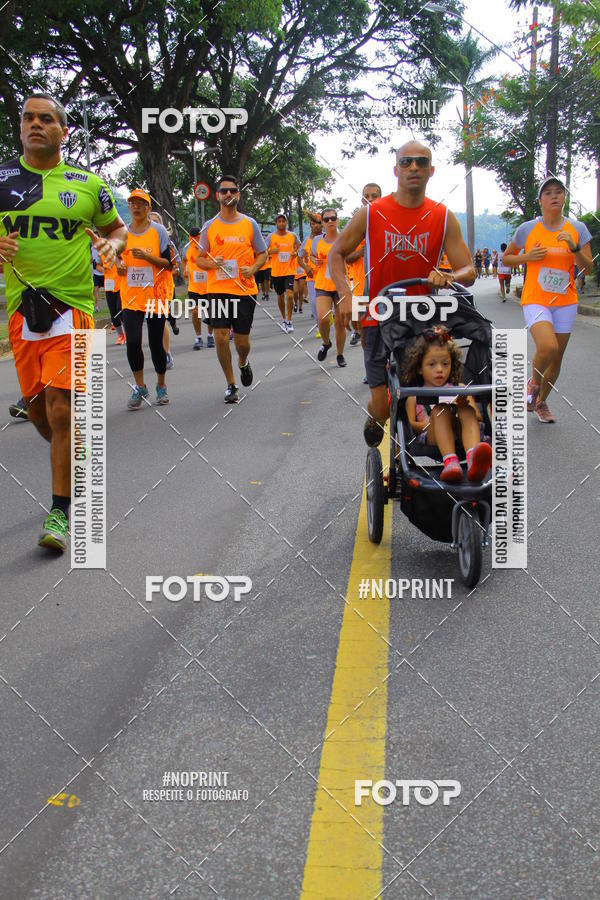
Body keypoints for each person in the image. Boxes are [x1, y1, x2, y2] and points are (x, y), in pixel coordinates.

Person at [0, 93, 127, 552]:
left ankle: (60, 514)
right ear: (21, 128)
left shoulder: (88, 184)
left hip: (72, 309)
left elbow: (116, 228)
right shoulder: (3, 179)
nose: (35, 124)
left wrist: (113, 244)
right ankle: (75, 455)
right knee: (37, 411)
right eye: (28, 118)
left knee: (61, 409)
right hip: (22, 313)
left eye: (46, 119)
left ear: (63, 131)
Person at [329, 140, 475, 447]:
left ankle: (420, 454)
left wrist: (449, 275)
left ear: (431, 170)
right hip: (378, 317)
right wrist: (344, 296)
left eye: (421, 163)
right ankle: (376, 416)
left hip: (421, 319)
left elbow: (469, 271)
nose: (413, 168)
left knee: (421, 394)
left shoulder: (442, 215)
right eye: (406, 162)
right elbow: (337, 253)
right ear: (396, 169)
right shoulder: (372, 213)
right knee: (383, 406)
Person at [501, 176, 592, 423]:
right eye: (548, 192)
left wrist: (574, 249)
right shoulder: (528, 228)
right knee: (548, 347)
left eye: (558, 192)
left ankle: (541, 402)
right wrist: (527, 257)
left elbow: (589, 267)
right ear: (540, 200)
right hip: (536, 298)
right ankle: (534, 383)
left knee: (557, 357)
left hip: (566, 301)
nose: (554, 196)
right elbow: (506, 259)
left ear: (564, 198)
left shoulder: (577, 229)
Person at [196, 175, 267, 403]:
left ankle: (243, 362)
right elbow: (199, 259)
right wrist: (212, 263)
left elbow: (263, 253)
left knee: (242, 343)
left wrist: (254, 268)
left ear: (238, 194)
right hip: (217, 289)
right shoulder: (209, 226)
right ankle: (231, 384)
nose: (228, 194)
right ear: (217, 195)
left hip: (244, 290)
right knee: (220, 336)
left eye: (233, 190)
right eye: (224, 191)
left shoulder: (250, 224)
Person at [402, 326, 492, 483]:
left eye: (445, 364)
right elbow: (409, 424)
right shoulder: (414, 394)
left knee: (467, 410)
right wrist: (430, 424)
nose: (439, 370)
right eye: (432, 364)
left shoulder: (460, 386)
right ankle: (450, 462)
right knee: (441, 410)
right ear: (420, 368)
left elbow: (478, 418)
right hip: (434, 434)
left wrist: (462, 405)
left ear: (452, 365)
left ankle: (473, 460)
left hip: (463, 430)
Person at [118, 189, 173, 408]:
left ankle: (161, 385)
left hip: (155, 297)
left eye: (141, 203)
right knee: (132, 343)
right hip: (131, 297)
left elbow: (169, 264)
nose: (136, 206)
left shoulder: (158, 231)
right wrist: (118, 266)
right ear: (129, 207)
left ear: (148, 208)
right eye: (132, 203)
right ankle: (140, 387)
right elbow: (116, 260)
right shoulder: (122, 233)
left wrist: (147, 257)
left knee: (155, 344)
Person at [346, 183, 383, 347]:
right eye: (367, 196)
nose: (370, 199)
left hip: (384, 285)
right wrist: (360, 253)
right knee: (364, 332)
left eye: (374, 196)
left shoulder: (388, 221)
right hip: (361, 284)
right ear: (362, 200)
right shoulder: (355, 224)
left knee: (384, 331)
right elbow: (346, 257)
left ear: (381, 198)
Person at [311, 207, 348, 366]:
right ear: (323, 223)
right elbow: (311, 256)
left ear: (337, 220)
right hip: (322, 284)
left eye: (333, 218)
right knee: (323, 318)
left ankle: (340, 355)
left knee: (340, 323)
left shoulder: (344, 238)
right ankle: (326, 343)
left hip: (340, 285)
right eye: (326, 219)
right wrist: (314, 261)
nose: (330, 221)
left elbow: (351, 257)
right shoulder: (317, 240)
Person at [268, 214, 300, 333]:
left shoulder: (292, 235)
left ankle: (290, 320)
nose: (281, 223)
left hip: (289, 270)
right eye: (279, 221)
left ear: (286, 223)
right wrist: (271, 251)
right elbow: (263, 251)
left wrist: (296, 252)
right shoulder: (271, 237)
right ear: (276, 223)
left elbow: (299, 246)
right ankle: (283, 319)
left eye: (283, 221)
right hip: (276, 272)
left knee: (290, 295)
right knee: (280, 296)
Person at [182, 226, 214, 349]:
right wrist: (185, 269)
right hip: (194, 287)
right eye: (193, 237)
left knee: (210, 313)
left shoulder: (207, 248)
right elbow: (184, 260)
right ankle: (198, 337)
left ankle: (210, 336)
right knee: (195, 312)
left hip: (208, 286)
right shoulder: (187, 249)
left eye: (197, 237)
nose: (195, 239)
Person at [298, 212, 323, 335]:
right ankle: (319, 326)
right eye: (313, 224)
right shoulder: (306, 241)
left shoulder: (326, 238)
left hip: (325, 276)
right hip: (312, 276)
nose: (316, 226)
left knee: (324, 301)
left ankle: (327, 318)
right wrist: (306, 267)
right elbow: (299, 258)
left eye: (318, 223)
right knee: (314, 301)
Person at [102, 249, 125, 343]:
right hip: (109, 285)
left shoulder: (120, 248)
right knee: (113, 312)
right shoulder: (102, 251)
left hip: (120, 284)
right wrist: (104, 269)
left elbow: (126, 262)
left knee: (120, 309)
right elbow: (98, 266)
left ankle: (127, 332)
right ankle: (120, 335)